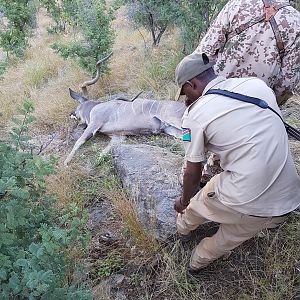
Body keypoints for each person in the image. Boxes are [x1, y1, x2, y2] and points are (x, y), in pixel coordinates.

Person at [174, 52, 300, 273]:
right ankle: (198, 263)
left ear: (191, 84)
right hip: (286, 197)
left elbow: (192, 171)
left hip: (243, 194)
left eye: (185, 94)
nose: (187, 100)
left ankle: (183, 229)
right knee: (230, 237)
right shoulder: (256, 85)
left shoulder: (191, 117)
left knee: (200, 199)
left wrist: (184, 200)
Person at [194, 0, 300, 106]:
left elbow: (205, 52)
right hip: (255, 105)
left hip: (215, 96)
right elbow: (286, 84)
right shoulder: (297, 21)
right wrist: (268, 104)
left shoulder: (238, 3)